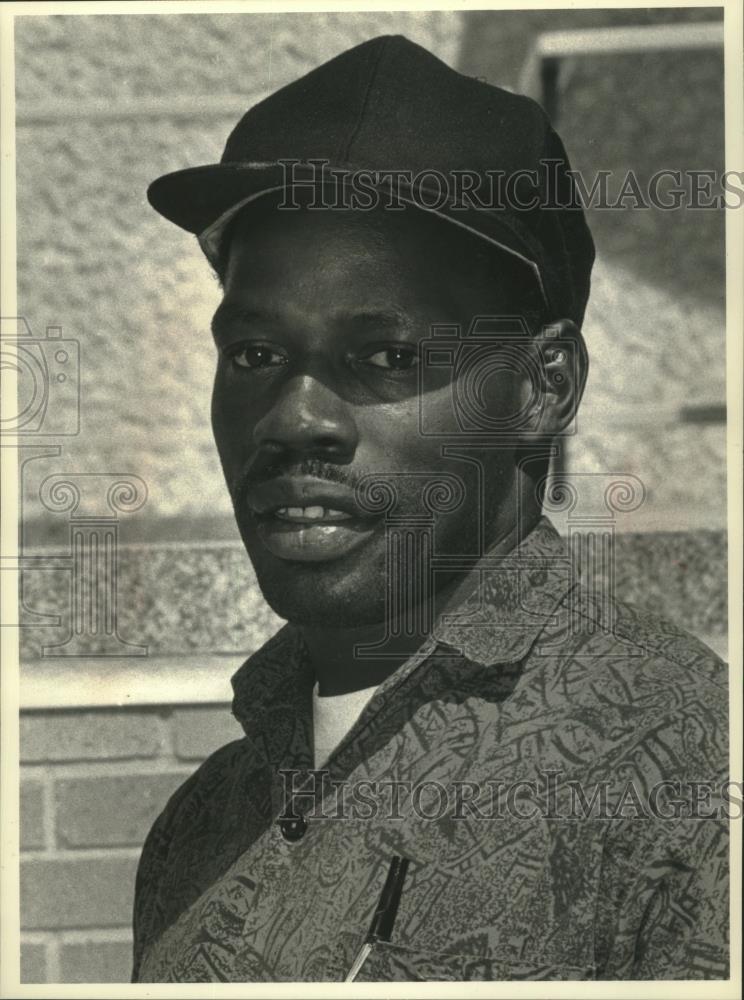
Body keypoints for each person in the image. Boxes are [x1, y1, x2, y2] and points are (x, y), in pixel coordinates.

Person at [132, 35, 728, 982]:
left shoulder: (687, 774)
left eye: (386, 356)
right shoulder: (199, 827)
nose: (295, 419)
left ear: (544, 385)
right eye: (253, 355)